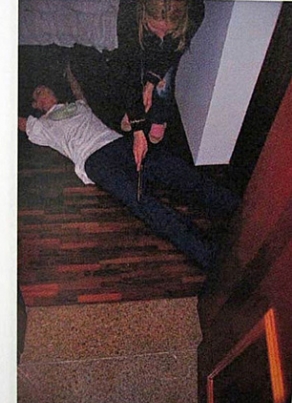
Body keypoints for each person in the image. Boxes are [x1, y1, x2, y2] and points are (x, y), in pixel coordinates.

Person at [18, 84, 240, 272]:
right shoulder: (42, 125)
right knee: (142, 201)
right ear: (36, 105)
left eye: (46, 88)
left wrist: (70, 75)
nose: (45, 91)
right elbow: (17, 121)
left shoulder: (78, 105)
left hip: (119, 143)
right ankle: (209, 255)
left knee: (174, 169)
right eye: (39, 92)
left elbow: (78, 91)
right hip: (94, 159)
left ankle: (238, 208)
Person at [117, 0, 205, 168]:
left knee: (164, 80)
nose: (161, 37)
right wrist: (138, 129)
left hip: (175, 39)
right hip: (141, 34)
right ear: (143, 14)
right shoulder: (130, 10)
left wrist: (152, 83)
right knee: (141, 66)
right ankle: (134, 111)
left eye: (168, 31)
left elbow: (172, 53)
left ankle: (159, 117)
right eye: (156, 29)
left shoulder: (195, 9)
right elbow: (129, 69)